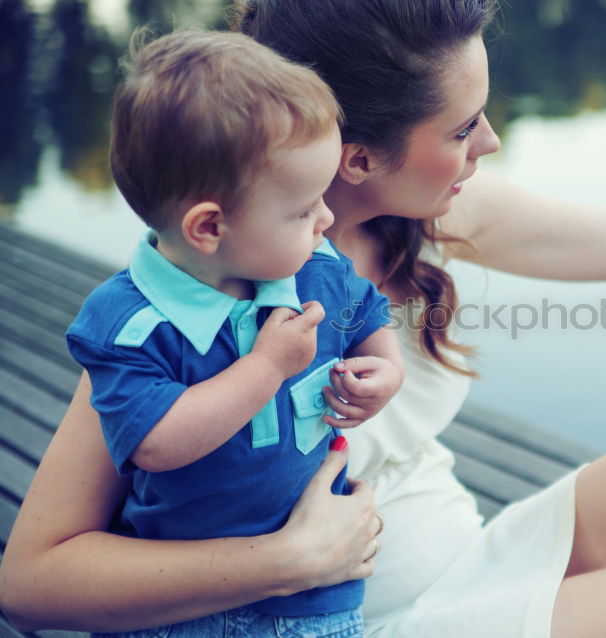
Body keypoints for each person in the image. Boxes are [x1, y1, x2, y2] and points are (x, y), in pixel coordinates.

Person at [0, 1, 606, 636]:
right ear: (354, 157)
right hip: (332, 618)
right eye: (463, 125)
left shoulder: (424, 216)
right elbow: (35, 578)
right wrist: (284, 558)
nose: (492, 140)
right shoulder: (191, 303)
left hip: (462, 565)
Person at [62, 28, 403, 635]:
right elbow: (157, 443)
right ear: (209, 228)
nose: (326, 219)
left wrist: (385, 369)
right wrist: (267, 366)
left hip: (318, 600)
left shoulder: (316, 267)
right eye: (302, 210)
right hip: (178, 611)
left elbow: (368, 313)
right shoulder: (128, 324)